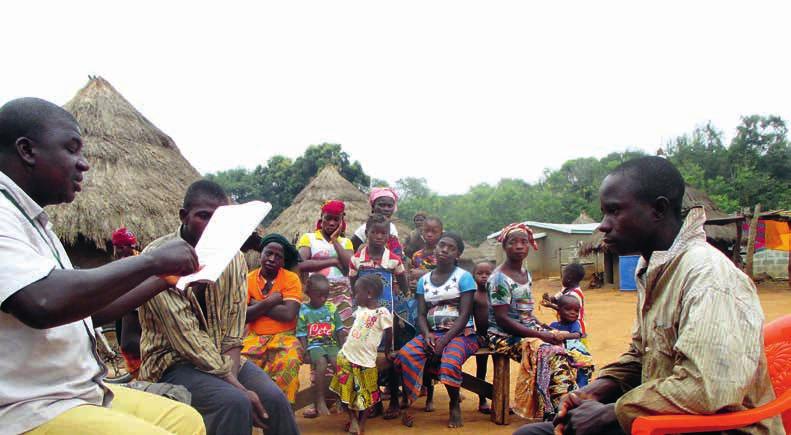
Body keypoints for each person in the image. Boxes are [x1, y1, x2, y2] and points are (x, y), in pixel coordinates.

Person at [515, 156, 783, 434]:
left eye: (614, 211)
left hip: (721, 428)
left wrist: (611, 413)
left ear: (658, 209)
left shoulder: (709, 277)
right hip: (668, 420)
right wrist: (594, 390)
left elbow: (707, 389)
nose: (603, 226)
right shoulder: (653, 269)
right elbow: (641, 356)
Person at [0, 97, 204, 434]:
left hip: (73, 394)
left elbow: (86, 312)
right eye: (72, 149)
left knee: (185, 421)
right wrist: (150, 261)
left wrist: (165, 278)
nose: (84, 164)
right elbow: (42, 302)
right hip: (27, 408)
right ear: (27, 150)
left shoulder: (34, 221)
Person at [137, 180, 297, 435]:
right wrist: (239, 388)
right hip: (172, 363)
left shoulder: (234, 259)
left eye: (218, 219)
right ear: (184, 216)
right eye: (203, 217)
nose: (212, 226)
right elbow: (187, 339)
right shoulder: (158, 256)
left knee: (275, 400)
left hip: (223, 358)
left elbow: (234, 331)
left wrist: (233, 377)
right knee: (234, 403)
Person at [487, 223, 575, 421]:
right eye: (513, 242)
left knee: (567, 349)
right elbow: (502, 319)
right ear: (504, 246)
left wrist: (541, 326)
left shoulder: (525, 274)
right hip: (503, 336)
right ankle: (555, 410)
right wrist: (538, 334)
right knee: (547, 351)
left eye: (523, 242)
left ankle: (558, 405)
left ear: (529, 246)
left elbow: (525, 311)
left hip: (526, 331)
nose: (519, 246)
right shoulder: (499, 279)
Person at [396, 232, 479, 429]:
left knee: (450, 361)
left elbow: (465, 314)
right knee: (406, 354)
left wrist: (445, 340)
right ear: (436, 248)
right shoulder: (424, 280)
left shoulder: (464, 277)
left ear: (457, 255)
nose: (444, 250)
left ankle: (453, 404)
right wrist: (426, 335)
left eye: (451, 248)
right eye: (442, 245)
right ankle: (412, 398)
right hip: (433, 333)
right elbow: (421, 314)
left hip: (461, 334)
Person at [348, 213, 410, 419]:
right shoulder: (357, 259)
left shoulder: (393, 259)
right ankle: (374, 402)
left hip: (387, 314)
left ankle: (393, 399)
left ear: (388, 236)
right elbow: (353, 282)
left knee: (389, 355)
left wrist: (402, 296)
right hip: (365, 316)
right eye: (374, 232)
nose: (378, 236)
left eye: (383, 233)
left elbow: (403, 280)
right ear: (366, 233)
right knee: (368, 356)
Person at [242, 233, 304, 405]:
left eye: (278, 256)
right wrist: (271, 301)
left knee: (289, 362)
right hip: (254, 337)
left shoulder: (291, 279)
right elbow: (243, 315)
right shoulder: (248, 279)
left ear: (283, 261)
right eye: (268, 253)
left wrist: (256, 304)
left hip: (285, 336)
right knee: (240, 368)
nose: (272, 259)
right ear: (260, 253)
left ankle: (282, 413)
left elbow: (288, 314)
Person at [330, 274, 394, 435]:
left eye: (357, 293)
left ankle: (361, 423)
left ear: (370, 293)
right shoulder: (359, 310)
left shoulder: (382, 312)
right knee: (344, 391)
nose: (354, 296)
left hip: (366, 362)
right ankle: (352, 419)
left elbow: (389, 332)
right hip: (346, 357)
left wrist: (387, 351)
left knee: (366, 396)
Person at [296, 199, 354, 328]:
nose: (332, 223)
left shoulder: (345, 242)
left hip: (341, 292)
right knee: (318, 331)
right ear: (321, 218)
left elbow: (350, 265)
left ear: (341, 221)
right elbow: (300, 264)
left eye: (336, 220)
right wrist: (333, 261)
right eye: (328, 218)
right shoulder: (309, 238)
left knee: (343, 330)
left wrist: (335, 240)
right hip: (316, 292)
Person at [297, 274, 346, 418]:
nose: (324, 299)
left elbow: (339, 330)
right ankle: (319, 399)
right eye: (320, 296)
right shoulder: (304, 310)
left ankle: (342, 398)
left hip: (332, 343)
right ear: (310, 293)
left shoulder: (331, 308)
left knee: (338, 363)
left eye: (326, 295)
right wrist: (305, 351)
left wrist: (343, 348)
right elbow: (301, 333)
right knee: (321, 363)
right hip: (314, 345)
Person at [111, 226, 144, 379]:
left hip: (134, 315)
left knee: (129, 344)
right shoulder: (137, 261)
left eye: (130, 246)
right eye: (124, 247)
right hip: (126, 312)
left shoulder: (132, 265)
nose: (128, 249)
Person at [547, 295, 593, 388]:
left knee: (581, 374)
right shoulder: (553, 324)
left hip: (575, 357)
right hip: (560, 357)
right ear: (559, 311)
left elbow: (577, 334)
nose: (573, 313)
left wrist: (563, 335)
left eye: (576, 311)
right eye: (568, 309)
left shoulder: (574, 324)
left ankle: (581, 390)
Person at [351, 187, 403, 256]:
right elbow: (351, 249)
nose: (386, 209)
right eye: (381, 205)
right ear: (373, 206)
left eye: (389, 206)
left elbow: (396, 253)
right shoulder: (365, 228)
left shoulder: (392, 228)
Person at [472, 260, 494, 414]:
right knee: (481, 368)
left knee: (500, 365)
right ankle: (482, 400)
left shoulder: (497, 293)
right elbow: (467, 317)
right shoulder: (473, 295)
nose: (484, 277)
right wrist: (475, 334)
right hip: (481, 337)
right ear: (474, 276)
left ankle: (500, 397)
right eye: (480, 274)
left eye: (488, 274)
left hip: (498, 336)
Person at [541, 262, 587, 337]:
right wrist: (548, 299)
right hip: (565, 323)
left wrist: (551, 306)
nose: (562, 279)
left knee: (574, 345)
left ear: (569, 278)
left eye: (563, 276)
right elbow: (556, 299)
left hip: (575, 327)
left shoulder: (575, 294)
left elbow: (568, 310)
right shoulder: (565, 289)